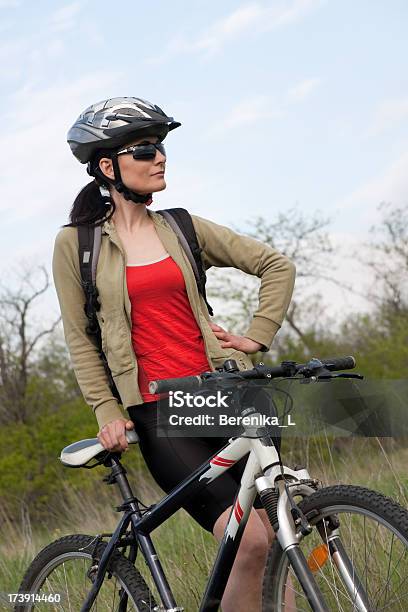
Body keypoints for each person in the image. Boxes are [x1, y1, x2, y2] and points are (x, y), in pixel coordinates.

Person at [52, 96, 296, 612]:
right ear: (107, 166)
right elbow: (79, 336)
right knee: (248, 540)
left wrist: (257, 333)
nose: (160, 157)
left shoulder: (183, 227)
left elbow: (275, 264)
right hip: (159, 409)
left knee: (280, 540)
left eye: (161, 147)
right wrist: (105, 408)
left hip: (226, 393)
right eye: (145, 150)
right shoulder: (78, 245)